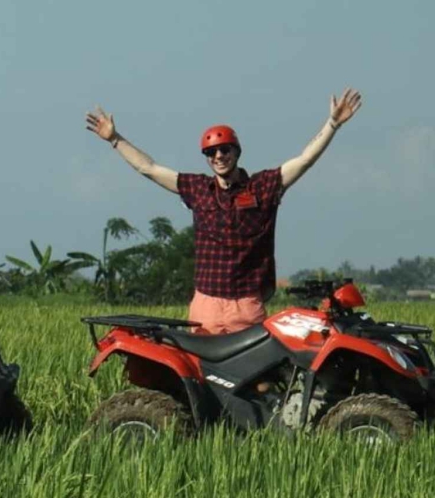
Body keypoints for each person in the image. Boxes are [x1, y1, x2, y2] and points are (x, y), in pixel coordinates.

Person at [85, 90, 363, 334]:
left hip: (247, 305)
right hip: (205, 304)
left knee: (257, 374)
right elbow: (149, 168)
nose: (218, 156)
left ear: (236, 151)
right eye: (211, 152)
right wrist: (115, 139)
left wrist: (332, 124)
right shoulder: (198, 189)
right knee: (200, 371)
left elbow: (304, 161)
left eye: (224, 150)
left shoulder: (262, 187)